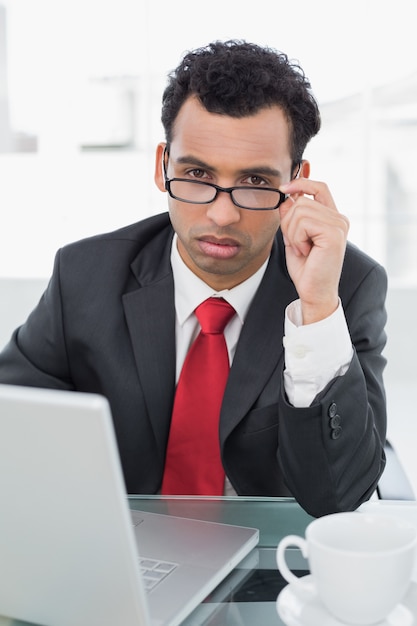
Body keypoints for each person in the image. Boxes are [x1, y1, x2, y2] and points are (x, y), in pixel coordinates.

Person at [0, 40, 387, 517]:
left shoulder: (345, 287)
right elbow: (11, 433)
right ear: (163, 166)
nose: (222, 215)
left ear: (297, 182)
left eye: (256, 182)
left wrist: (317, 311)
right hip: (122, 556)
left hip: (273, 571)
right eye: (198, 173)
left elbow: (340, 496)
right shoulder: (84, 276)